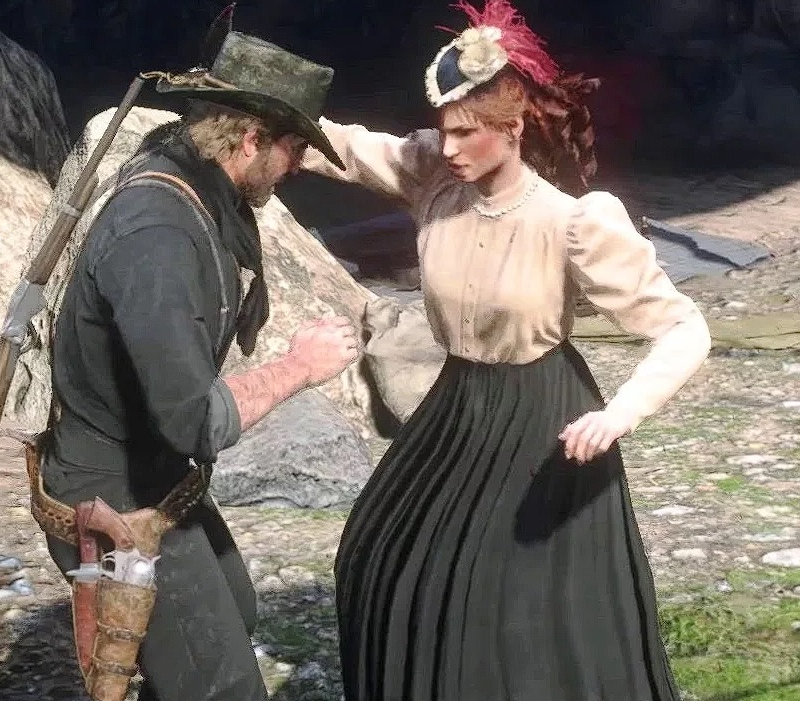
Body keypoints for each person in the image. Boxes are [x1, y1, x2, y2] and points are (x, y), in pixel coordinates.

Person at [299, 1, 712, 699]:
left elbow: (684, 327)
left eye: (468, 133)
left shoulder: (572, 222)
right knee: (376, 552)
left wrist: (620, 414)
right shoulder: (433, 178)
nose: (451, 147)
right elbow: (340, 145)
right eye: (445, 131)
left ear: (512, 129)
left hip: (541, 419)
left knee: (509, 609)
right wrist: (259, 107)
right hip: (457, 406)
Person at [37, 25, 359, 701]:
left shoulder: (196, 179)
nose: (300, 164)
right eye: (295, 147)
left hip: (156, 475)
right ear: (250, 140)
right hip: (112, 494)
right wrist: (300, 367)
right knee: (223, 685)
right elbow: (195, 420)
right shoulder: (158, 233)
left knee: (235, 608)